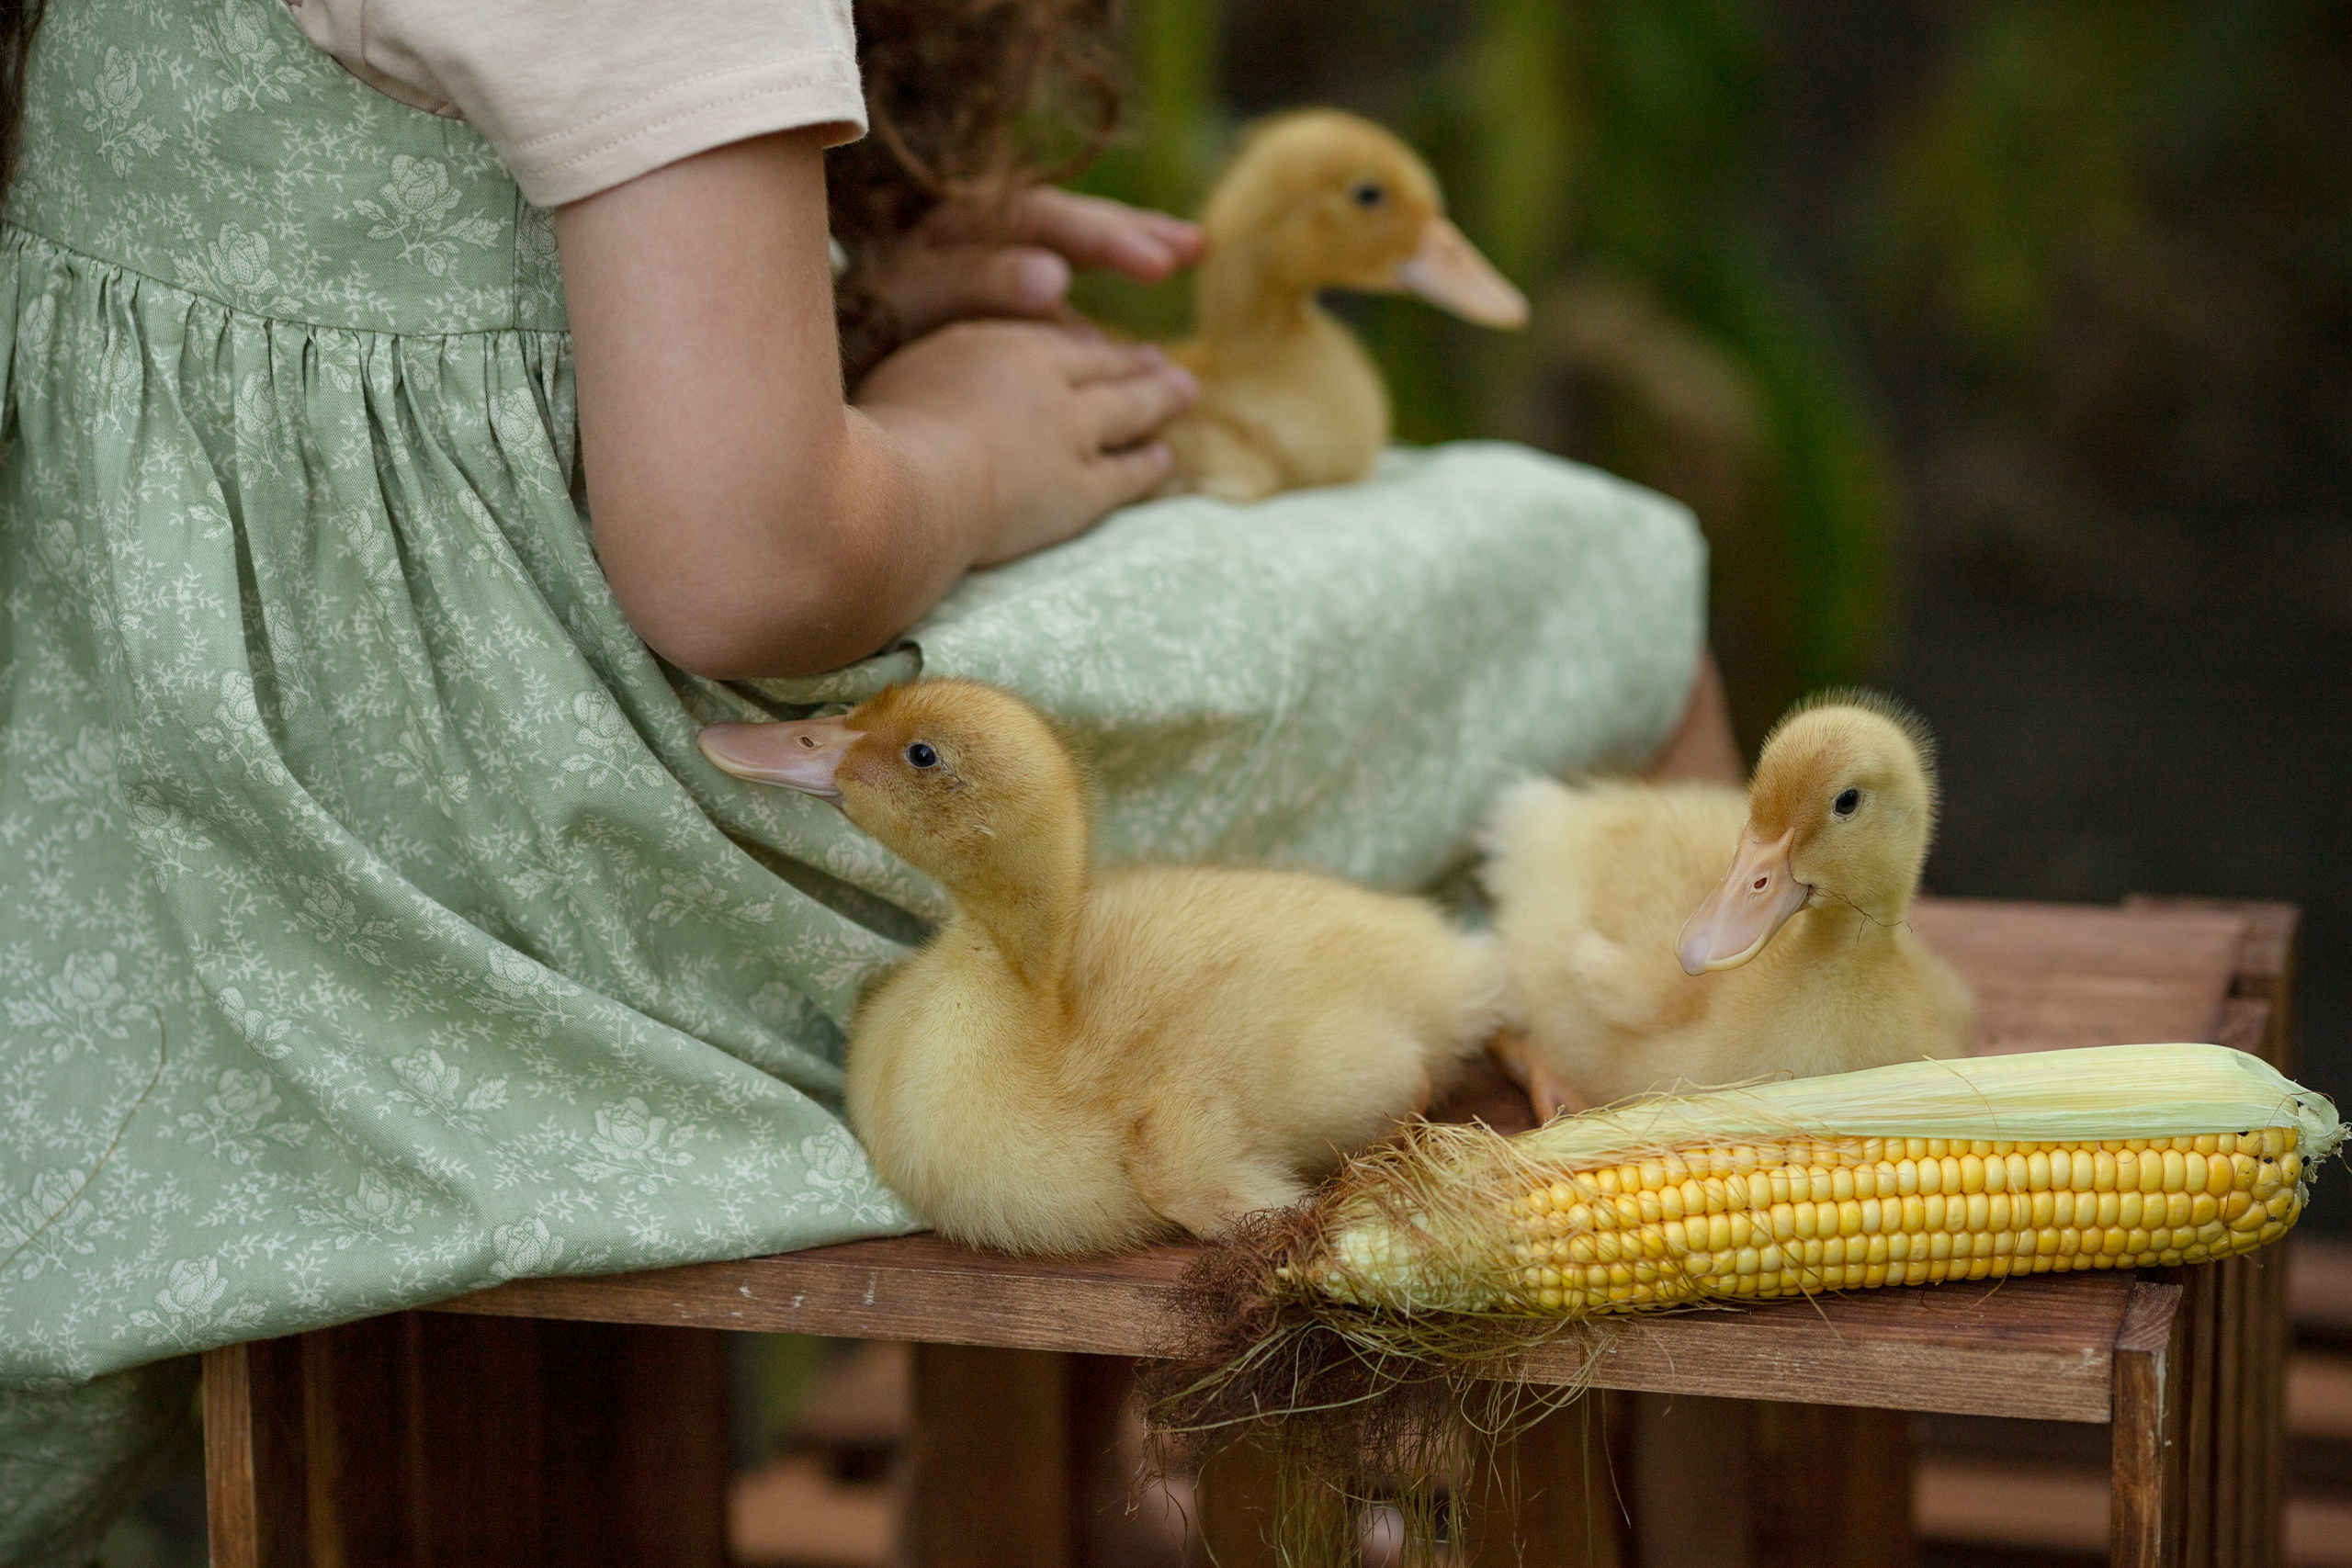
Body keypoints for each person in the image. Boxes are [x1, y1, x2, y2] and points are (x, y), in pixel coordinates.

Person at [0, 0, 1724, 1553]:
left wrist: (838, 297)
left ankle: (1029, 1504)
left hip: (142, 806)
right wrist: (973, 454)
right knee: (1588, 569)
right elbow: (744, 560)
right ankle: (1675, 1478)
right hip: (560, 828)